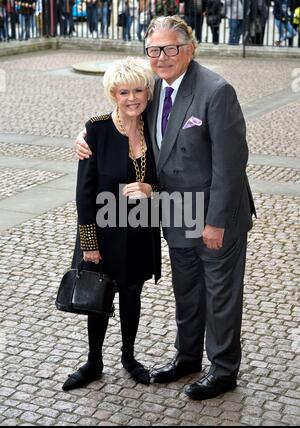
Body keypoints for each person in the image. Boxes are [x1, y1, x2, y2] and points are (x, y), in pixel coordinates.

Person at [75, 15, 256, 400]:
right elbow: (123, 110)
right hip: (174, 212)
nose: (161, 56)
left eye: (170, 48)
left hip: (212, 215)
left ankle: (223, 370)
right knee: (187, 290)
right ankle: (187, 357)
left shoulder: (216, 91)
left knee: (220, 294)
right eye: (154, 49)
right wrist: (85, 134)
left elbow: (230, 163)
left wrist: (216, 221)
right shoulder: (153, 88)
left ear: (189, 48)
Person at [62, 57, 161, 391]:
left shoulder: (157, 127)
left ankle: (130, 357)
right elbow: (83, 194)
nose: (132, 98)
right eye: (123, 92)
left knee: (132, 295)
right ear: (112, 95)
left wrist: (153, 190)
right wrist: (89, 244)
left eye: (138, 90)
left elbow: (168, 177)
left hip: (140, 230)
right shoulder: (97, 130)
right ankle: (93, 361)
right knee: (99, 298)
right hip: (102, 235)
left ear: (148, 92)